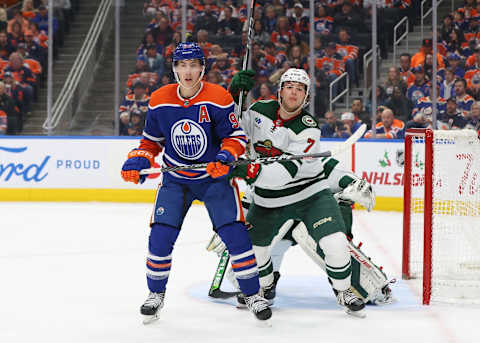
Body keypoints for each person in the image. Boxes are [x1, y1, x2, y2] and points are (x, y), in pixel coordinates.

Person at [120, 42, 272, 323]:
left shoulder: (218, 97)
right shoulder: (160, 99)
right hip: (176, 180)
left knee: (236, 237)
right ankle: (156, 294)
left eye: (193, 65)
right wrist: (138, 160)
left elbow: (235, 137)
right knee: (160, 239)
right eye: (182, 65)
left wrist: (225, 156)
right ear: (174, 68)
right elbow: (150, 142)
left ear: (203, 67)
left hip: (213, 179)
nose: (188, 71)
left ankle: (253, 294)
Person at [228, 68, 366, 315]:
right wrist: (233, 99)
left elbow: (284, 174)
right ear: (280, 91)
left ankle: (344, 290)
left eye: (300, 89)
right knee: (252, 255)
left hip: (309, 194)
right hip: (267, 199)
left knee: (335, 243)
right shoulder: (260, 110)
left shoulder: (308, 128)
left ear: (306, 97)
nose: (294, 92)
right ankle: (267, 286)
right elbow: (232, 129)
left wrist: (249, 172)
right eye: (289, 86)